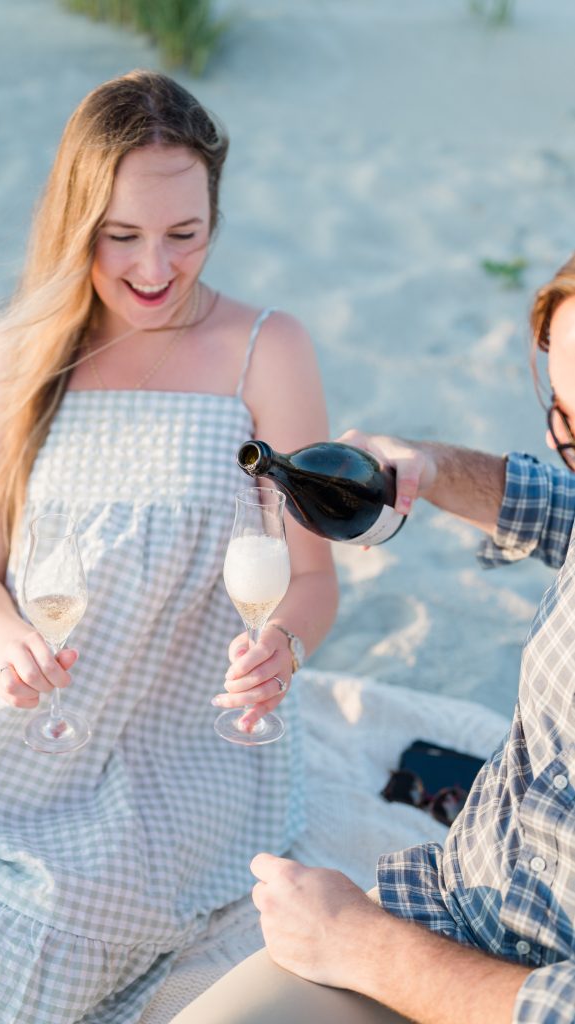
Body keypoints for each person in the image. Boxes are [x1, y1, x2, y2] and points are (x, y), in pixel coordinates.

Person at [0, 71, 338, 1024]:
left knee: (54, 911)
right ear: (74, 221)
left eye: (185, 234)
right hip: (27, 716)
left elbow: (309, 576)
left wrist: (284, 651)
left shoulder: (269, 349)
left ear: (214, 213)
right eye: (120, 236)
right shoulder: (23, 352)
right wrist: (3, 642)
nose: (153, 269)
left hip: (180, 746)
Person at [171, 258, 575, 1024]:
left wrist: (361, 945)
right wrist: (432, 467)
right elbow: (563, 510)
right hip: (452, 907)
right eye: (563, 418)